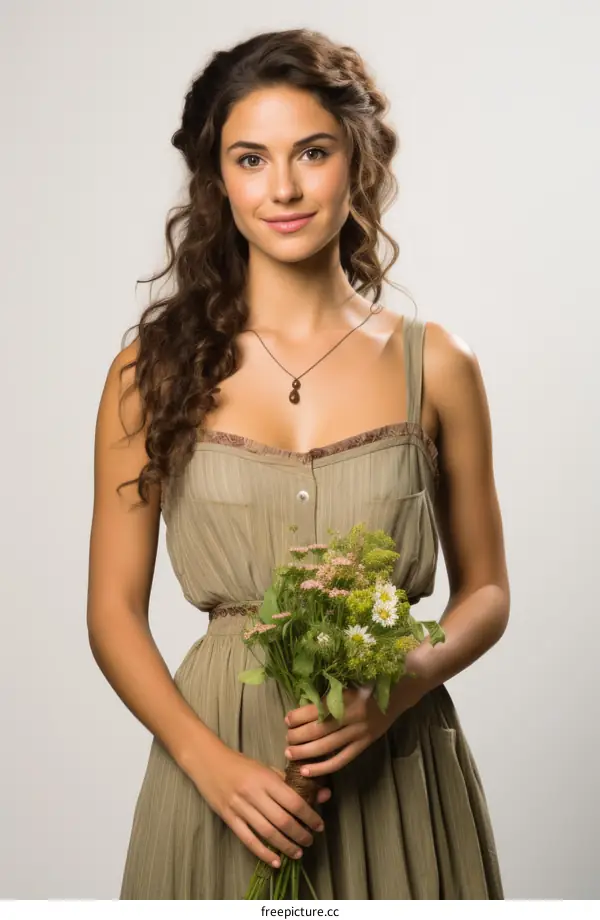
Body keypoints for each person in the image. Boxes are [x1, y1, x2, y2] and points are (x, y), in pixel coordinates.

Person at [87, 28, 510, 900]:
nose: (282, 187)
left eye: (311, 152)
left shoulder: (440, 366)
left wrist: (401, 683)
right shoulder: (150, 373)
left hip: (398, 768)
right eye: (250, 159)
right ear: (218, 182)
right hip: (220, 775)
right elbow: (112, 613)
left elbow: (488, 592)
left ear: (357, 159)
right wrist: (209, 766)